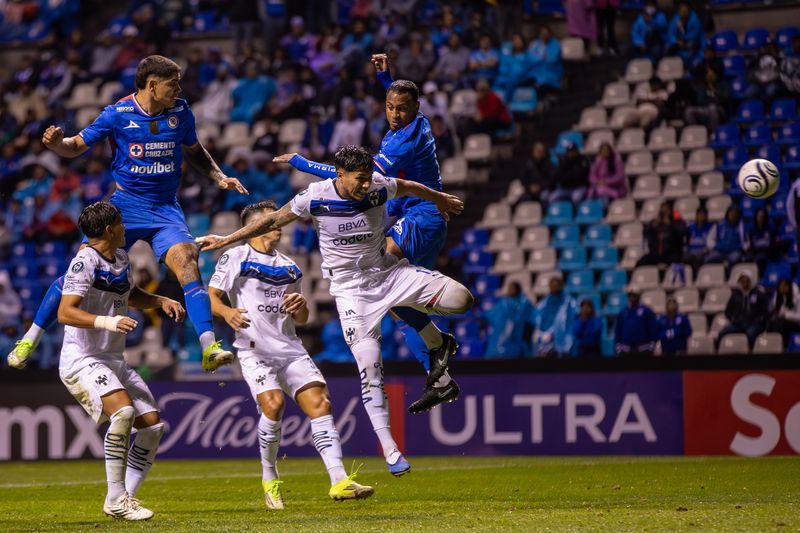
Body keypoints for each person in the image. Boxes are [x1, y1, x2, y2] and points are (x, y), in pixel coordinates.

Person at [196, 145, 474, 472]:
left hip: (388, 272)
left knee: (462, 299)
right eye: (360, 179)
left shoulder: (379, 185)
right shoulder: (313, 197)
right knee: (370, 369)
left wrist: (439, 199)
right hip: (351, 292)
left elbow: (411, 186)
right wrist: (227, 239)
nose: (366, 185)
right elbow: (271, 219)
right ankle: (390, 451)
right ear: (340, 175)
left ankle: (437, 339)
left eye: (369, 178)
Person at [6, 55, 248, 374]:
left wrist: (218, 176)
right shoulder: (117, 114)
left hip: (165, 209)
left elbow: (194, 150)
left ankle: (209, 348)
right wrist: (56, 145)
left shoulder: (181, 111)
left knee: (188, 264)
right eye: (172, 83)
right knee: (80, 271)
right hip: (125, 208)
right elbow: (76, 144)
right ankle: (30, 339)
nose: (179, 88)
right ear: (152, 85)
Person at [272, 54, 461, 411]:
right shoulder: (413, 119)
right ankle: (440, 374)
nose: (394, 113)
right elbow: (397, 96)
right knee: (394, 304)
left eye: (401, 109)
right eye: (390, 106)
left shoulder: (400, 143)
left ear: (416, 108)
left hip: (421, 214)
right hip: (410, 212)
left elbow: (350, 175)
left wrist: (300, 162)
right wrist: (386, 76)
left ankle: (439, 346)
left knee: (382, 280)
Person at [12, 202, 185, 520]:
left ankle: (126, 497)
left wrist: (160, 300)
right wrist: (109, 322)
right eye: (122, 223)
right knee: (123, 412)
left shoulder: (120, 257)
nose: (126, 228)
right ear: (110, 229)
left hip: (111, 358)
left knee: (151, 427)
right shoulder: (84, 261)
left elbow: (127, 295)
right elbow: (65, 312)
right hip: (83, 358)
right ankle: (116, 498)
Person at [208, 201, 374, 508]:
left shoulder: (290, 266)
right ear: (255, 227)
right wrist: (227, 311)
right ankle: (269, 477)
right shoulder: (236, 256)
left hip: (290, 349)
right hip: (254, 350)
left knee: (320, 403)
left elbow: (302, 320)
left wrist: (301, 307)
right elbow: (213, 297)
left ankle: (339, 481)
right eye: (272, 221)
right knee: (274, 405)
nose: (279, 225)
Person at [718, 272, 769, 348]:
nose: (744, 282)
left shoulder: (759, 294)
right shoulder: (735, 295)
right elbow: (727, 311)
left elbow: (765, 311)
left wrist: (759, 320)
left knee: (750, 334)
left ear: (750, 281)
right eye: (742, 280)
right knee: (722, 333)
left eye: (746, 280)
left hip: (754, 324)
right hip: (738, 324)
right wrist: (733, 319)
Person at [484, 282, 535, 357]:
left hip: (518, 335)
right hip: (502, 334)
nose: (510, 290)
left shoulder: (525, 303)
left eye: (512, 288)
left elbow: (528, 318)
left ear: (518, 290)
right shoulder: (503, 303)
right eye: (509, 288)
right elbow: (491, 314)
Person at [532, 277, 577, 357]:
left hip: (562, 338)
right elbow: (539, 318)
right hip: (545, 338)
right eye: (552, 285)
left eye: (556, 285)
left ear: (561, 286)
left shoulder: (568, 302)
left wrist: (555, 333)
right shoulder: (545, 302)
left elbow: (569, 322)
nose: (554, 287)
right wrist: (540, 333)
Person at [637, 201, 686, 267]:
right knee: (640, 264)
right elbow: (645, 232)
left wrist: (670, 224)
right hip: (656, 254)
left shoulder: (677, 222)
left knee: (678, 263)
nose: (664, 213)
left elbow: (681, 234)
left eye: (666, 210)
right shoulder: (656, 222)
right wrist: (652, 226)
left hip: (671, 254)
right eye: (662, 211)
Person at [615, 289, 659, 356]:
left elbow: (653, 329)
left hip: (644, 350)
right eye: (630, 295)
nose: (631, 297)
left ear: (638, 296)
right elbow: (618, 330)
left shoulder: (646, 311)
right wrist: (618, 347)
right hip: (625, 350)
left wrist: (651, 346)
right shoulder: (623, 312)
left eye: (634, 295)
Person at [666, 2, 706, 66]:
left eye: (685, 11)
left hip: (695, 44)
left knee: (692, 47)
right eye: (681, 11)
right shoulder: (676, 19)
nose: (683, 13)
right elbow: (670, 34)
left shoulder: (694, 19)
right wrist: (676, 41)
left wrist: (683, 36)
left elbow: (694, 35)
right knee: (668, 48)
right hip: (680, 45)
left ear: (689, 11)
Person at [519, 141, 555, 206]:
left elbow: (551, 180)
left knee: (544, 197)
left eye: (540, 151)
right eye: (537, 151)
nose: (538, 153)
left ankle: (544, 214)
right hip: (531, 190)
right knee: (523, 199)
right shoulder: (528, 164)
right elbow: (523, 179)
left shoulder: (549, 164)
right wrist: (529, 187)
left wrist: (540, 187)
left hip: (545, 189)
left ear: (544, 152)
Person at [767, 278, 800, 347]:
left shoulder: (798, 298)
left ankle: (782, 346)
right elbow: (775, 310)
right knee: (772, 322)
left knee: (782, 324)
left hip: (795, 323)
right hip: (781, 321)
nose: (782, 288)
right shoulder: (778, 296)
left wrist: (787, 315)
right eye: (781, 286)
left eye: (785, 286)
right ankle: (771, 345)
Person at [684, 206, 712, 274]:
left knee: (699, 259)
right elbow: (686, 242)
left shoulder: (711, 227)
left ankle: (697, 278)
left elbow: (711, 243)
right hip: (691, 252)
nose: (702, 216)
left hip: (704, 252)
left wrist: (703, 251)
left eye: (704, 214)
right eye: (700, 214)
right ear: (696, 215)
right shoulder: (690, 227)